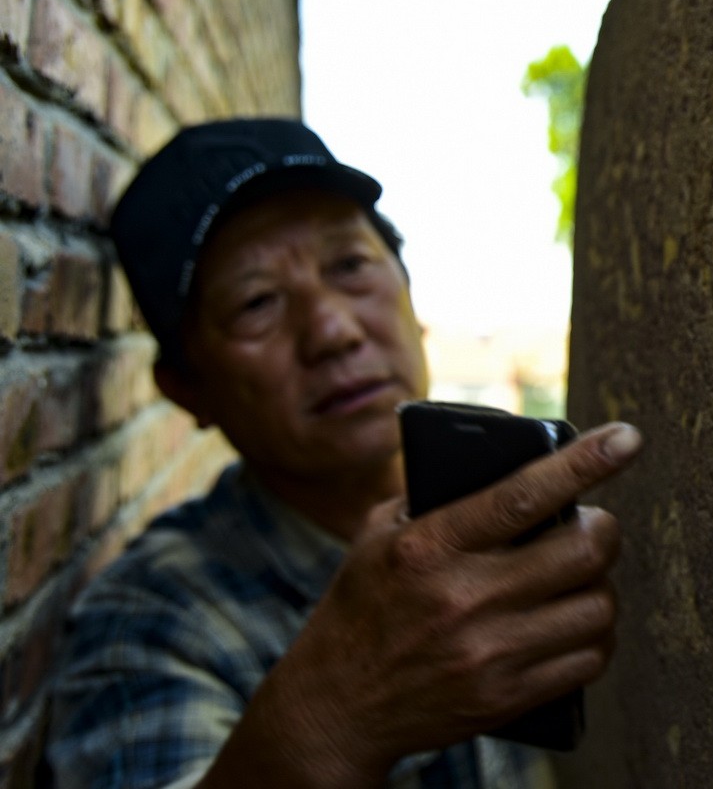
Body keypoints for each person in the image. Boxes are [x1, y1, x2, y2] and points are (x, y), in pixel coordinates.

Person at [44, 118, 639, 788]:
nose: (331, 330)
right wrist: (340, 711)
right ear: (187, 388)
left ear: (408, 289)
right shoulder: (153, 623)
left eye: (350, 266)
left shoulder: (522, 518)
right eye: (257, 302)